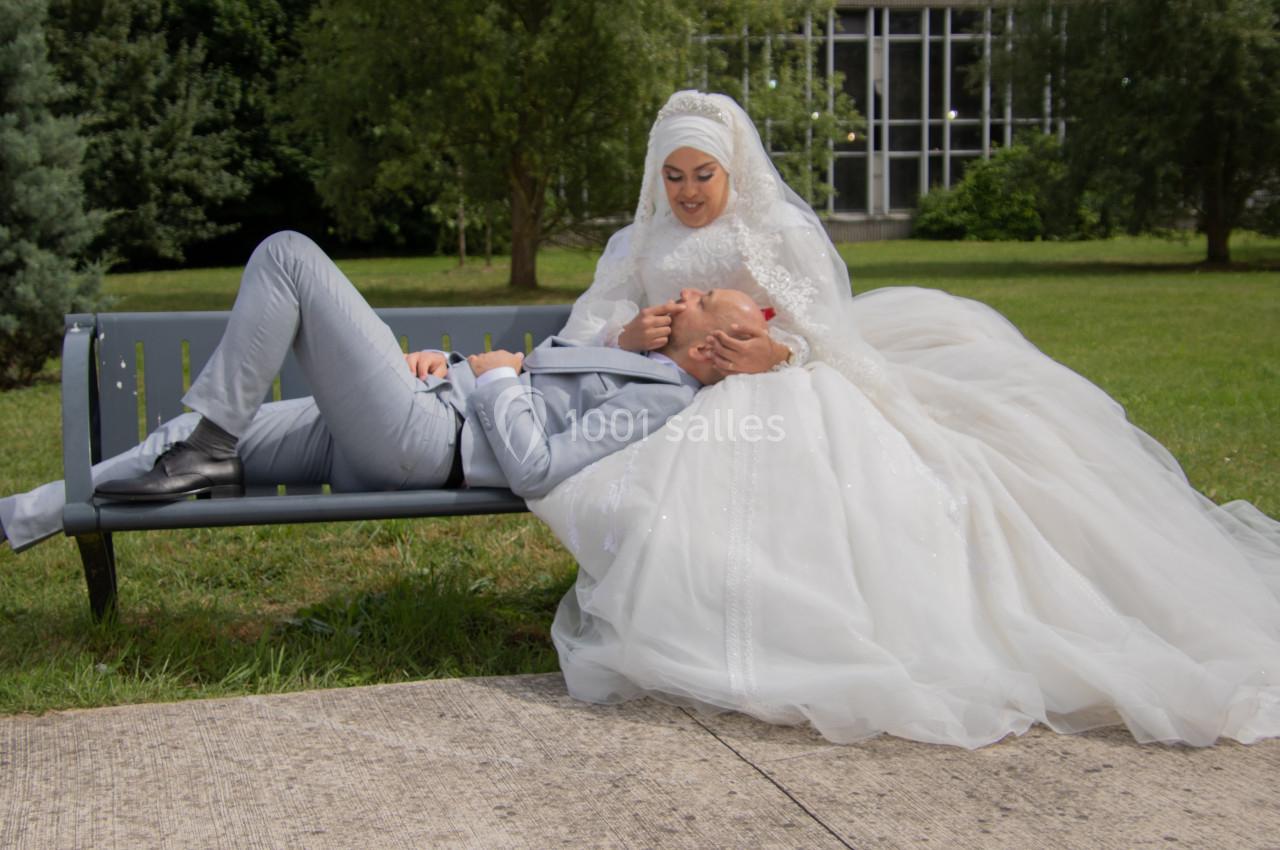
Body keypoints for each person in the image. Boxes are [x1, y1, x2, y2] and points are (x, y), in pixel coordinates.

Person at [536, 90, 1280, 749]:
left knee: (827, 463)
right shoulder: (636, 244)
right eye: (674, 176)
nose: (689, 192)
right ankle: (714, 611)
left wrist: (778, 350)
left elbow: (823, 327)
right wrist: (622, 335)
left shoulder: (770, 232)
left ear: (733, 169)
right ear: (655, 178)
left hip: (771, 382)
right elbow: (590, 321)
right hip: (674, 393)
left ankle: (812, 622)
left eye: (703, 174)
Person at [0, 230, 767, 550]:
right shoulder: (644, 359)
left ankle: (209, 438)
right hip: (418, 412)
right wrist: (458, 361)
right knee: (193, 447)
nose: (688, 291)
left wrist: (494, 380)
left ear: (709, 345)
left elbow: (537, 468)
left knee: (289, 254)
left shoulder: (663, 398)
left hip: (423, 446)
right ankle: (16, 520)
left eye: (701, 300)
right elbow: (531, 381)